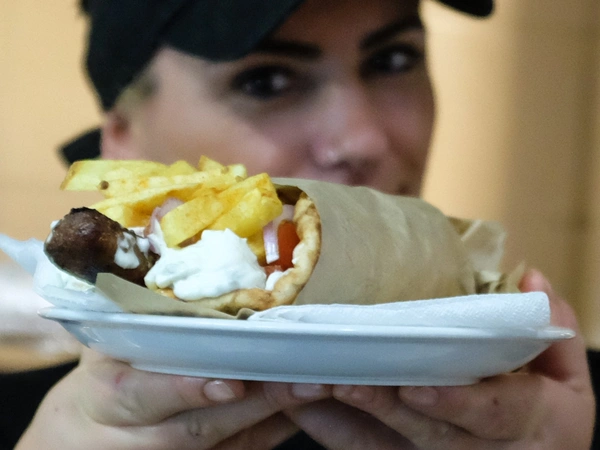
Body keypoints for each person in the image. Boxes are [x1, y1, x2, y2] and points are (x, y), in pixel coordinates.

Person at [4, 0, 597, 448]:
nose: (362, 139)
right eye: (265, 81)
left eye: (393, 59)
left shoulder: (571, 409)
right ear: (122, 141)